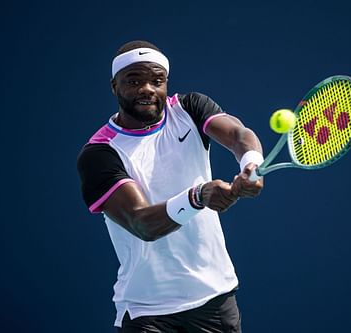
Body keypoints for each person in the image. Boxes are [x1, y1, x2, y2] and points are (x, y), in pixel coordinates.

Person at [76, 40, 264, 333]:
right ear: (115, 86)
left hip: (216, 299)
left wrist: (250, 163)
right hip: (148, 313)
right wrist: (198, 196)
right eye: (134, 80)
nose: (147, 89)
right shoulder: (100, 153)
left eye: (156, 80)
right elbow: (142, 223)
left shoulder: (190, 108)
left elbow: (239, 134)